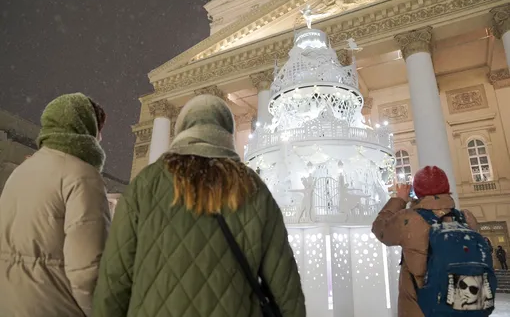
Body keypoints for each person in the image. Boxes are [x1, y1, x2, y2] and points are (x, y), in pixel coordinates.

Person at [92, 95, 306, 317]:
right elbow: (285, 285)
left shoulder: (146, 184)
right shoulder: (253, 187)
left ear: (182, 128)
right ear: (227, 132)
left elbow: (114, 280)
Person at [0, 93, 111, 317]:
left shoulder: (21, 171)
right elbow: (87, 271)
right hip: (56, 307)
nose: (100, 139)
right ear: (86, 128)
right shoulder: (82, 175)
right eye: (98, 131)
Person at [372, 166, 478, 317]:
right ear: (447, 189)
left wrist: (400, 199)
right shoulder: (466, 217)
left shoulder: (408, 219)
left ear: (417, 191)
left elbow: (379, 229)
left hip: (420, 308)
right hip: (462, 303)